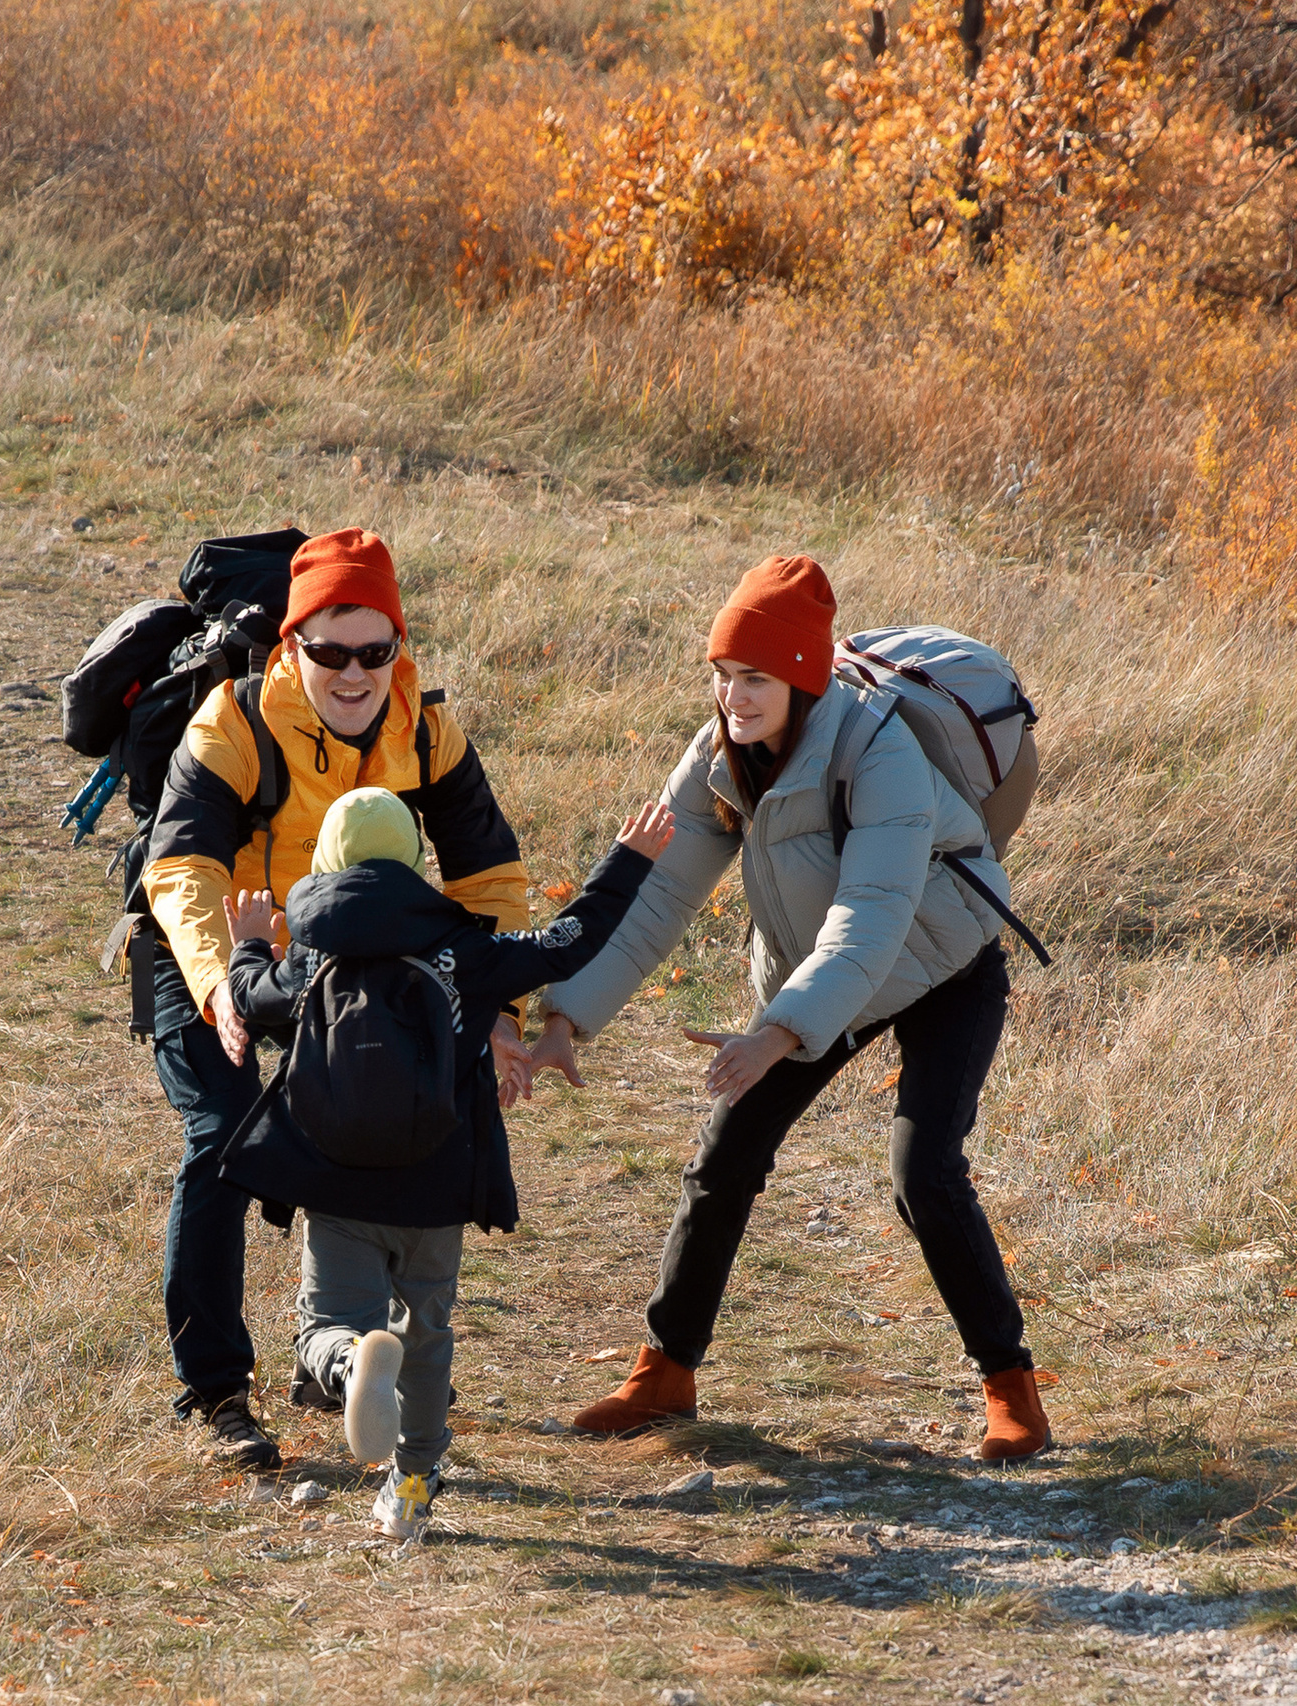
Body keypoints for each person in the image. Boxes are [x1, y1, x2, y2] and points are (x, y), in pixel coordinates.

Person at [533, 555, 1052, 1460]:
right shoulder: (717, 756)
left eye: (757, 679)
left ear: (804, 679)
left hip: (943, 957)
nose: (734, 697)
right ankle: (666, 1373)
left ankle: (1012, 1389)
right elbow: (659, 897)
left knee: (924, 1171)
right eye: (724, 674)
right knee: (726, 1151)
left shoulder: (880, 751)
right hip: (825, 976)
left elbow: (871, 920)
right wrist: (564, 1017)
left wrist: (778, 1032)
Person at [141, 527, 532, 1470]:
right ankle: (216, 1392)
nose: (354, 673)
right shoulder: (233, 724)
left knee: (393, 1111)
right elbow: (183, 868)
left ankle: (341, 1353)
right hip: (208, 947)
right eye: (329, 651)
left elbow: (488, 877)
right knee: (223, 1138)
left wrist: (502, 1012)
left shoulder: (424, 730)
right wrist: (222, 986)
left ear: (398, 646)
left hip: (344, 965)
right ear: (293, 645)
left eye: (374, 650)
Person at [218, 788, 677, 1535]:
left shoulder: (310, 957)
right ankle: (412, 1484)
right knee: (426, 1335)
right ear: (415, 861)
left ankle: (351, 1363)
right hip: (437, 1182)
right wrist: (628, 861)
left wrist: (246, 940)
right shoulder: (461, 950)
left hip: (338, 1183)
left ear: (326, 864)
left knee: (325, 1325)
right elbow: (569, 940)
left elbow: (244, 996)